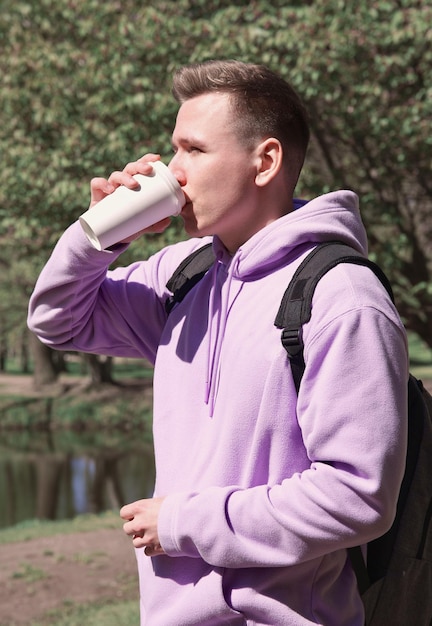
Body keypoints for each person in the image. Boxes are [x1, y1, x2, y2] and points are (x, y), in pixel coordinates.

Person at [28, 60, 408, 625]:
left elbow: (358, 496)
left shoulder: (341, 298)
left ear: (266, 161)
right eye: (173, 149)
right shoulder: (184, 273)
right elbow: (58, 320)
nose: (172, 171)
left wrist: (185, 524)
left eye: (193, 150)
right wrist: (101, 233)